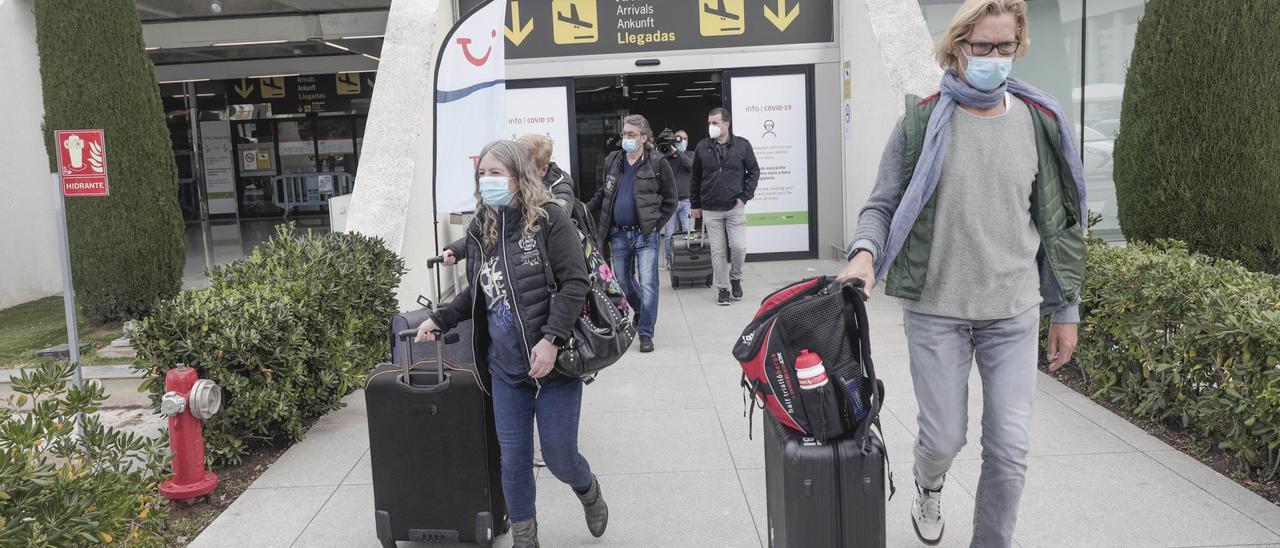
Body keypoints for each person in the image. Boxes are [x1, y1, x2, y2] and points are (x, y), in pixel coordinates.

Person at [836, 1, 1087, 546]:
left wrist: (1065, 310)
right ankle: (929, 484)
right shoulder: (923, 121)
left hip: (1013, 311)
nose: (996, 58)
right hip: (936, 311)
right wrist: (864, 254)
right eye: (983, 47)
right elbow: (882, 204)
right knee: (944, 437)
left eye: (1006, 47)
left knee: (1009, 448)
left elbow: (1062, 225)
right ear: (955, 50)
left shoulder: (1038, 122)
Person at [417, 140, 608, 548]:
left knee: (559, 457)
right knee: (514, 462)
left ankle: (588, 489)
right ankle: (525, 538)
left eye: (496, 173)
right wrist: (441, 316)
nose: (488, 181)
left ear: (520, 176)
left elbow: (576, 283)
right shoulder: (480, 227)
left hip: (554, 367)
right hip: (505, 368)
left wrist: (552, 340)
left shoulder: (551, 218)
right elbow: (480, 293)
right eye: (482, 173)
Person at [586, 114, 677, 353]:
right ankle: (641, 311)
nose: (625, 138)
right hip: (618, 234)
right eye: (624, 134)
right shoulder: (613, 160)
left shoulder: (657, 162)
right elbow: (603, 194)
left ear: (644, 137)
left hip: (645, 235)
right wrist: (583, 208)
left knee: (648, 284)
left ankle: (646, 331)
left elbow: (671, 200)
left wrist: (656, 226)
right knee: (623, 282)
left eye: (631, 134)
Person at [442, 134, 583, 266]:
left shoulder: (557, 192)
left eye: (525, 165)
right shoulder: (499, 203)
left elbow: (555, 223)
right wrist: (457, 249)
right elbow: (489, 231)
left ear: (542, 170)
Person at [690, 107, 759, 306]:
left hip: (734, 208)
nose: (711, 126)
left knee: (738, 247)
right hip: (710, 209)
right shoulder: (703, 147)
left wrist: (745, 196)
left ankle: (735, 277)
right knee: (718, 252)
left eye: (715, 123)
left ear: (726, 124)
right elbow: (695, 177)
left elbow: (753, 171)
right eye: (709, 123)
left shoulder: (742, 146)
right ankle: (722, 288)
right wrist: (695, 204)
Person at [661, 130, 696, 270]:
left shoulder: (691, 155)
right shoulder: (667, 157)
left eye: (685, 139)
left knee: (689, 232)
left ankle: (690, 259)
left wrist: (678, 152)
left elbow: (690, 165)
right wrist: (669, 151)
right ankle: (670, 261)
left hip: (687, 202)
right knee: (669, 234)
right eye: (679, 139)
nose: (682, 141)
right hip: (671, 203)